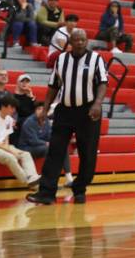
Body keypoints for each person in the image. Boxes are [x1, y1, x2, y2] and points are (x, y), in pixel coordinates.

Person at [26, 28, 107, 204]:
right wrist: (45, 108)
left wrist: (97, 104)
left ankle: (80, 189)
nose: (80, 42)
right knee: (55, 150)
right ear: (70, 42)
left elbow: (102, 84)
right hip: (65, 110)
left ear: (87, 41)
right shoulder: (61, 59)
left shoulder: (96, 59)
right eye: (76, 40)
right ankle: (47, 193)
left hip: (88, 111)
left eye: (83, 40)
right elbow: (53, 86)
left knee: (87, 152)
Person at [0, 95, 41, 186]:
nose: (13, 110)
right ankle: (27, 180)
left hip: (1, 146)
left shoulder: (9, 119)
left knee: (26, 154)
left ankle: (32, 177)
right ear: (3, 106)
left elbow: (6, 138)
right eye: (11, 107)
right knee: (10, 157)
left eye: (14, 108)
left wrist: (8, 148)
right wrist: (9, 151)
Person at [19, 104, 73, 184]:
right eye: (38, 109)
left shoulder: (46, 121)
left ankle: (69, 178)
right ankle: (48, 179)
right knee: (49, 148)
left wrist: (56, 142)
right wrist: (46, 143)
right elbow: (32, 141)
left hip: (41, 147)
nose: (41, 111)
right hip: (27, 148)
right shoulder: (29, 122)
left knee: (61, 146)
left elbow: (50, 136)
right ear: (35, 111)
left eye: (43, 109)